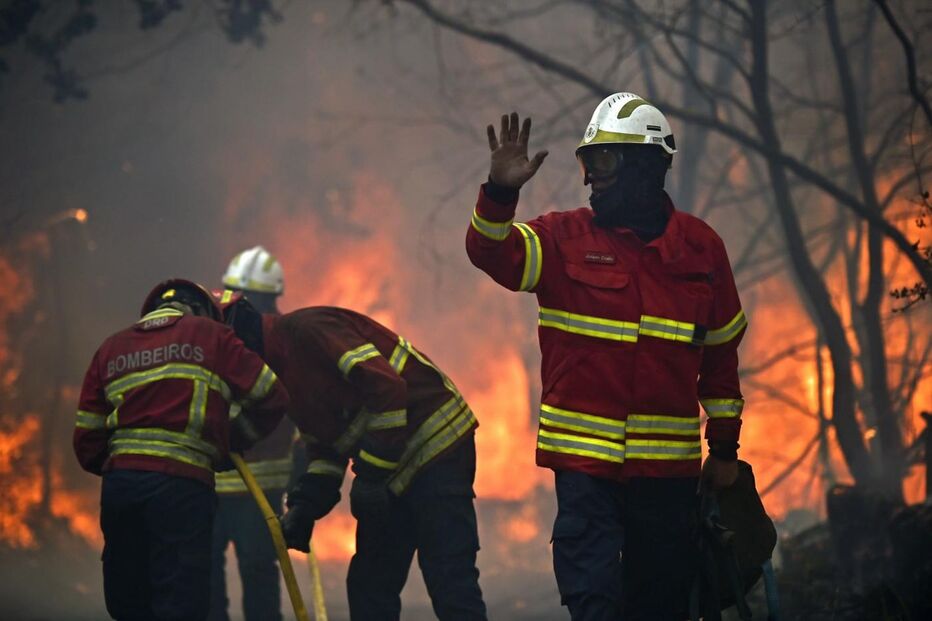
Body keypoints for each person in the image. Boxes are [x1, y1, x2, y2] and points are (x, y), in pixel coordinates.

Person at [465, 93, 747, 620]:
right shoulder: (561, 237)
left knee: (659, 603)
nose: (592, 177)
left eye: (605, 161)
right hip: (585, 471)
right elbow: (491, 253)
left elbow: (721, 357)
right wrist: (500, 193)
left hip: (667, 477)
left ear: (647, 165)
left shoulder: (701, 249)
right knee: (592, 598)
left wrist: (725, 450)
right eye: (587, 163)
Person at [222, 295, 488, 621]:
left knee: (449, 577)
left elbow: (387, 388)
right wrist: (306, 507)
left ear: (241, 343)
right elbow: (326, 448)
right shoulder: (278, 375)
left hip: (435, 446)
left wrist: (372, 475)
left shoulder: (308, 331)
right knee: (369, 586)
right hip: (389, 468)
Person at [74, 279, 290, 621]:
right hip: (182, 488)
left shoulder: (111, 347)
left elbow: (87, 438)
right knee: (181, 599)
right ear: (203, 311)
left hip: (122, 488)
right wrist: (232, 439)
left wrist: (126, 466)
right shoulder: (213, 336)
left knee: (128, 599)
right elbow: (271, 394)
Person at [209, 246, 298, 621]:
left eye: (250, 297)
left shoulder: (283, 339)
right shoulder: (212, 336)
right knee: (206, 574)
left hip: (259, 487)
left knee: (257, 571)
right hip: (213, 482)